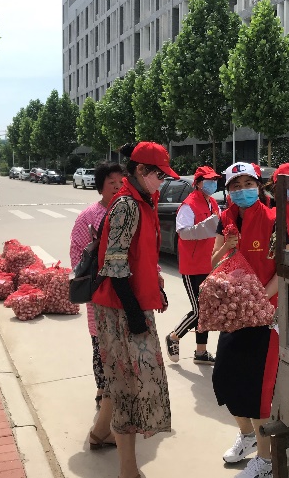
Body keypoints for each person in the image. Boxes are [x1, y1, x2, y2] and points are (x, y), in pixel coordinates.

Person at [92, 142, 176, 478]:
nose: (162, 182)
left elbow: (140, 259)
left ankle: (100, 434)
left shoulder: (143, 201)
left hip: (130, 305)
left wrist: (155, 289)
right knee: (130, 387)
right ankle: (128, 470)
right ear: (141, 170)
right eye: (159, 175)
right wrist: (135, 315)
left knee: (125, 381)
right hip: (120, 310)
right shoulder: (127, 205)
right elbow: (114, 266)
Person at [211, 162, 286, 478]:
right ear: (228, 191)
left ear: (259, 186)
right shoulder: (225, 219)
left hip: (264, 316)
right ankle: (246, 436)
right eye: (236, 186)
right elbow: (213, 263)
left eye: (248, 184)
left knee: (257, 393)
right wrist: (226, 249)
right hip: (234, 314)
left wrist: (259, 300)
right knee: (224, 380)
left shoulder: (273, 219)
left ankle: (266, 462)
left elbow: (284, 270)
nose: (242, 191)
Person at [69, 161, 124, 450]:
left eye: (120, 182)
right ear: (100, 186)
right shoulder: (88, 216)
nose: (117, 186)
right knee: (100, 346)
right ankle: (103, 396)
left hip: (125, 296)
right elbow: (78, 256)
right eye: (111, 182)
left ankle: (110, 402)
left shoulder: (128, 211)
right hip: (100, 294)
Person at [165, 165, 221, 365]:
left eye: (214, 180)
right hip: (192, 265)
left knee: (206, 310)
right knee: (199, 310)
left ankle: (201, 352)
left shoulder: (212, 202)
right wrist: (205, 228)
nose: (212, 184)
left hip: (210, 263)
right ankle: (174, 336)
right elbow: (183, 232)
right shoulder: (188, 205)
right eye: (208, 180)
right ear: (198, 183)